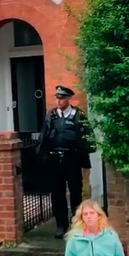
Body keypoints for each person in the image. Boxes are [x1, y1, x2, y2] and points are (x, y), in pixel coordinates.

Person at [35, 85, 96, 239]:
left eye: (62, 98)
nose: (59, 100)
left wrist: (85, 157)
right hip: (55, 160)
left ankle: (76, 224)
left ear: (69, 99)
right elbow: (44, 137)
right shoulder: (51, 116)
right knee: (57, 194)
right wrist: (42, 156)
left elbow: (89, 138)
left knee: (76, 192)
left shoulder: (79, 115)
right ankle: (61, 225)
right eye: (58, 98)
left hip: (73, 160)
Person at [62, 199, 126, 256]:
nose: (88, 216)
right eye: (85, 214)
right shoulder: (74, 238)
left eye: (92, 213)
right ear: (82, 218)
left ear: (98, 216)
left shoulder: (111, 236)